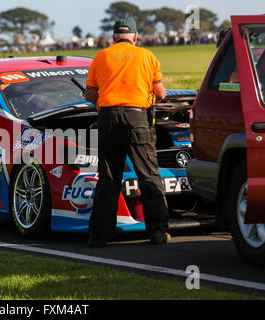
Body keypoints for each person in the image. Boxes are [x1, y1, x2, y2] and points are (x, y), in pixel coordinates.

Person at [84, 17, 170, 247]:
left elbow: (90, 94)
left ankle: (99, 236)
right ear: (134, 36)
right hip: (138, 118)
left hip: (108, 119)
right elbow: (160, 94)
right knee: (148, 174)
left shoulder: (100, 57)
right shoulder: (147, 56)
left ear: (113, 37)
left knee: (109, 177)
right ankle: (158, 232)